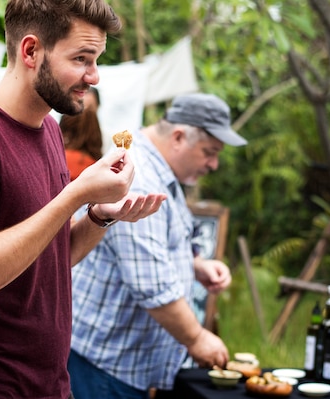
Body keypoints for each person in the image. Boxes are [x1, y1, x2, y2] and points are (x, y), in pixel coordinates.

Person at [0, 1, 166, 398]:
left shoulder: (48, 129)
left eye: (96, 60)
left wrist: (98, 215)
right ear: (31, 51)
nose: (93, 76)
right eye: (82, 58)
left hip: (48, 387)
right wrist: (75, 194)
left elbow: (47, 258)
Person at [68, 92, 248, 398]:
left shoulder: (160, 170)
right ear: (178, 137)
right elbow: (149, 282)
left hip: (119, 365)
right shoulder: (139, 177)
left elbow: (148, 250)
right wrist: (196, 338)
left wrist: (195, 267)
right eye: (210, 152)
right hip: (103, 368)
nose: (214, 164)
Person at [61, 88, 103, 180]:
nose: (84, 111)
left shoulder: (59, 159)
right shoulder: (96, 169)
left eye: (89, 107)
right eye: (81, 106)